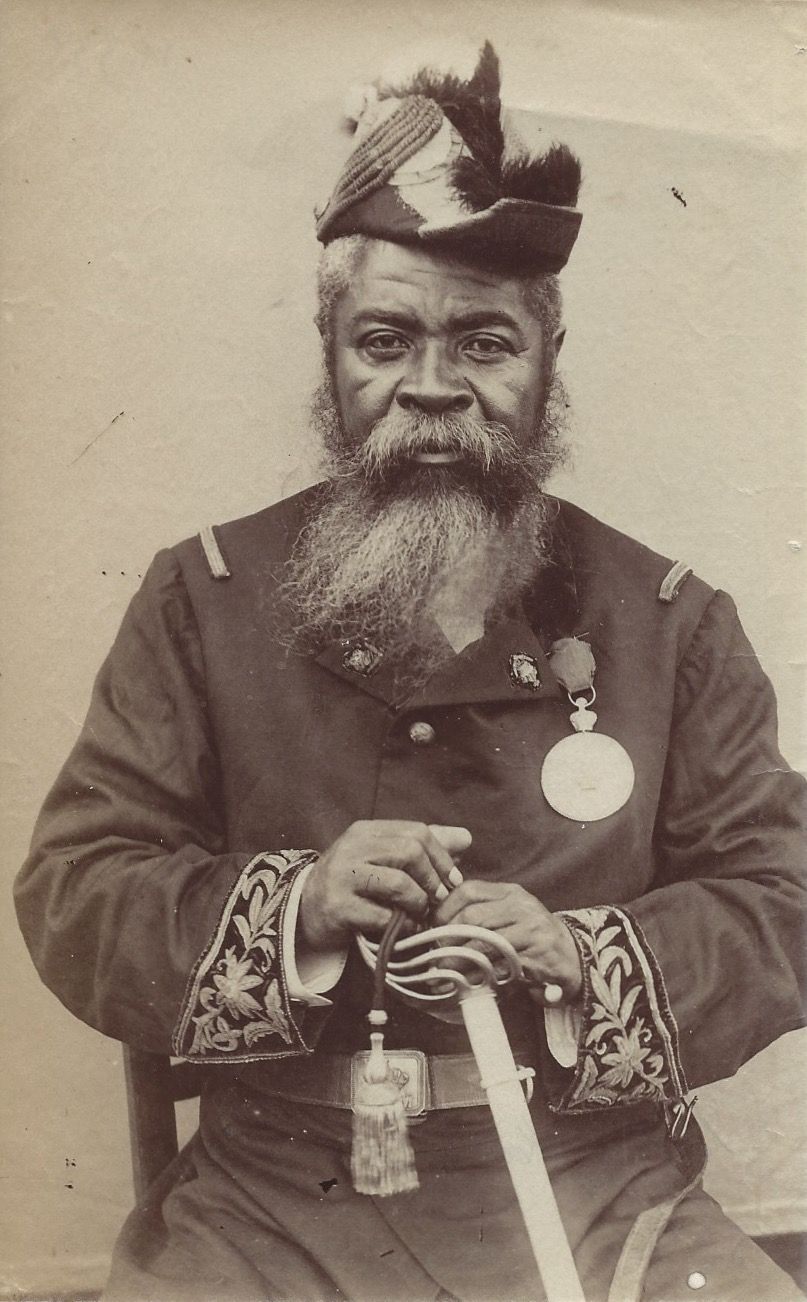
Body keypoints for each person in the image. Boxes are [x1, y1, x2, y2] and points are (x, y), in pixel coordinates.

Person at [14, 42, 806, 1302]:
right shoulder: (204, 598)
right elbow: (77, 887)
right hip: (274, 1198)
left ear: (547, 356)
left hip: (598, 1189)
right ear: (331, 351)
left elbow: (782, 898)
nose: (432, 389)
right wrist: (299, 908)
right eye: (386, 340)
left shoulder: (670, 622)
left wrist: (578, 954)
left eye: (484, 343)